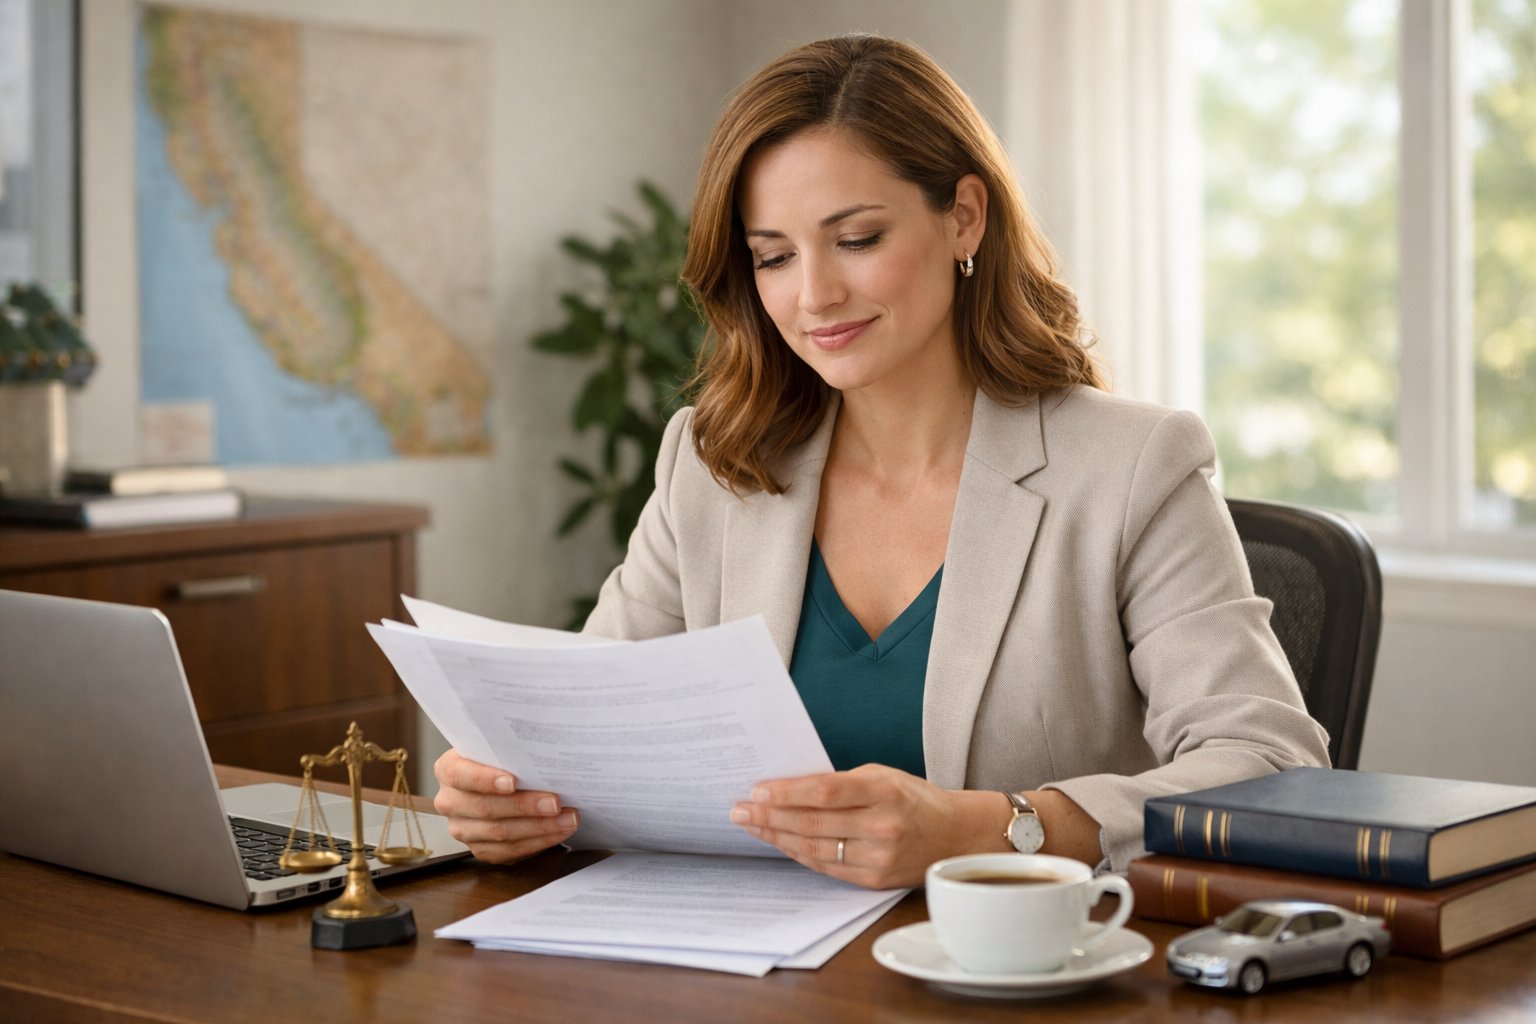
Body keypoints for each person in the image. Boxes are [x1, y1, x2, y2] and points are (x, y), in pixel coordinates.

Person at [434, 34, 1330, 889]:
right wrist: (518, 800)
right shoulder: (710, 463)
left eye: (856, 239)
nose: (814, 294)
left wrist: (991, 827)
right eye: (773, 257)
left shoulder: (1133, 465)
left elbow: (1269, 766)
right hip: (748, 976)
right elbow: (593, 738)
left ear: (964, 217)